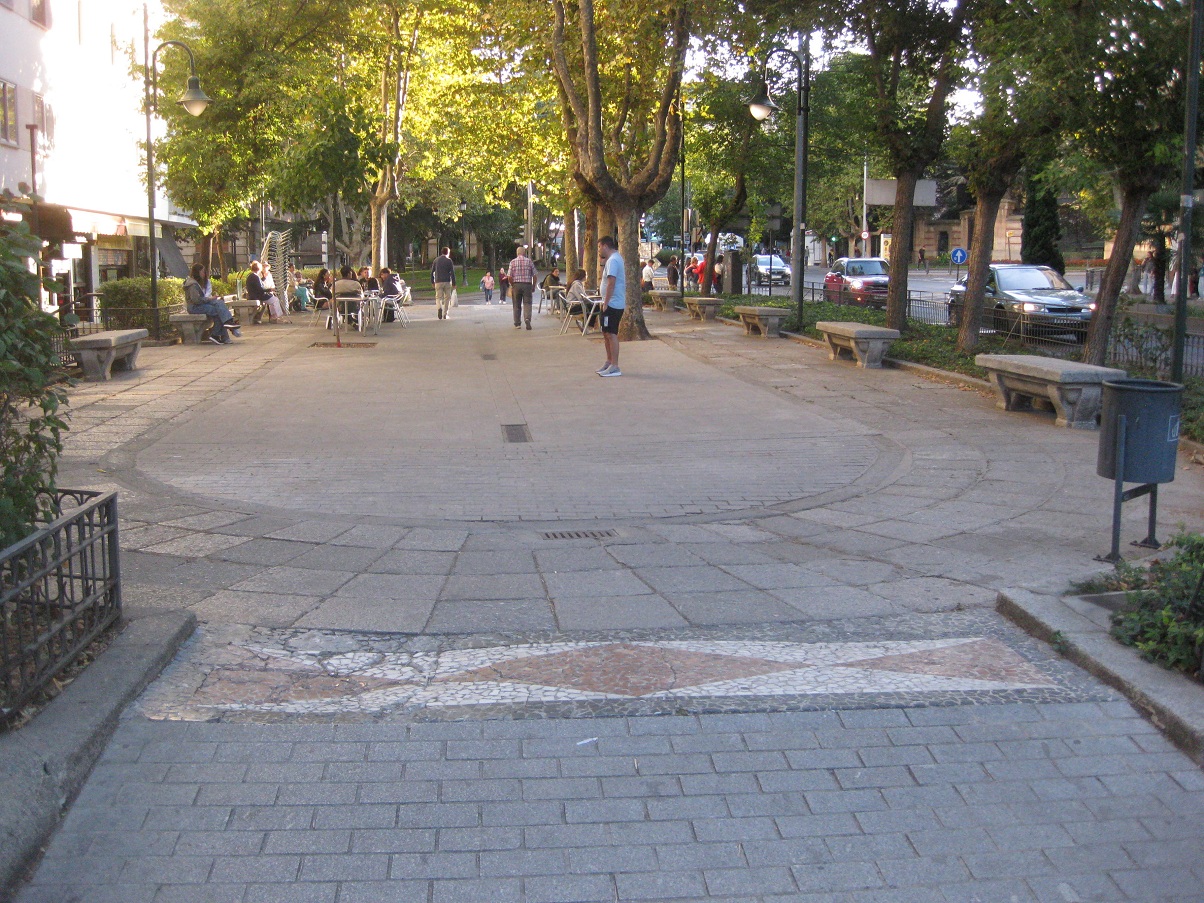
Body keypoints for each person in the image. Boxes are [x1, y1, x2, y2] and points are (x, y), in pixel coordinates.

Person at [184, 263, 239, 344]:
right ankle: (219, 332)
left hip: (198, 305)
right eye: (202, 272)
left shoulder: (197, 283)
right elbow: (196, 300)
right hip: (194, 307)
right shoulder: (192, 284)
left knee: (219, 305)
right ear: (197, 272)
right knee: (218, 311)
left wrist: (210, 299)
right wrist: (209, 299)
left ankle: (224, 330)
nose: (204, 274)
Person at [596, 235, 625, 376]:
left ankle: (615, 365)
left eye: (599, 247)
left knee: (611, 333)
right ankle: (609, 361)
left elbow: (611, 283)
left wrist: (606, 302)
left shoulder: (613, 260)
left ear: (605, 246)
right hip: (610, 303)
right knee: (606, 332)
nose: (598, 250)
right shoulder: (612, 259)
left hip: (613, 304)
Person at [508, 246, 537, 329]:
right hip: (527, 285)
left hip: (516, 285)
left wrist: (512, 284)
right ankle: (527, 318)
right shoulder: (529, 261)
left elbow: (509, 276)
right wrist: (533, 286)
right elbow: (535, 276)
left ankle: (517, 323)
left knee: (516, 304)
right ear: (524, 253)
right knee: (527, 303)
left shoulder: (512, 262)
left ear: (517, 253)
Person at [431, 247, 457, 320]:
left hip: (438, 281)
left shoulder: (436, 260)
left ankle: (439, 307)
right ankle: (445, 314)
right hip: (447, 281)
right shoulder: (449, 261)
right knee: (447, 298)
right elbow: (452, 273)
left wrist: (432, 281)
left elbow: (432, 272)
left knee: (438, 297)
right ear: (447, 252)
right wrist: (454, 283)